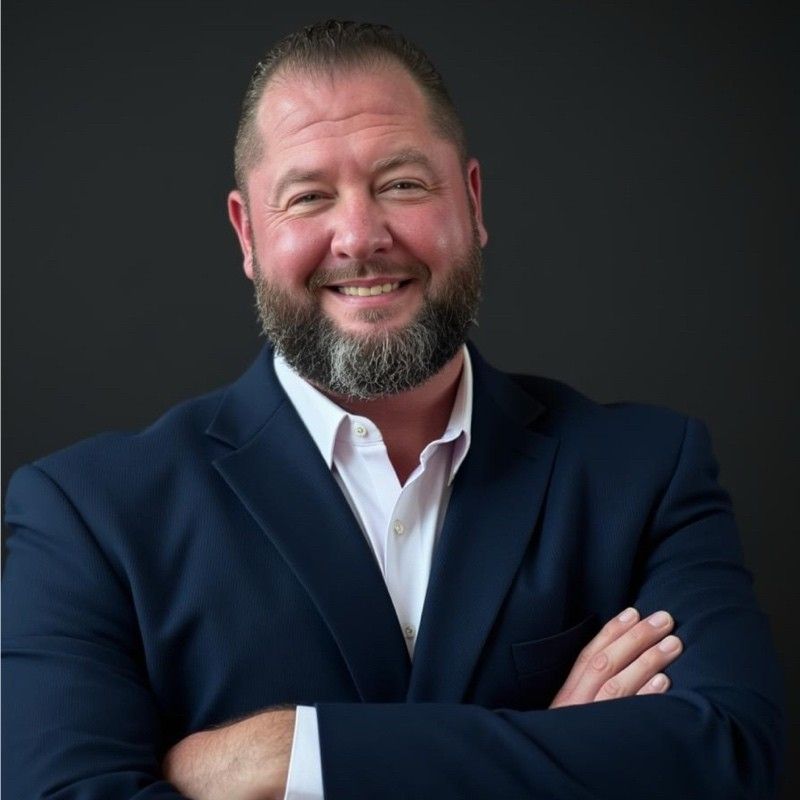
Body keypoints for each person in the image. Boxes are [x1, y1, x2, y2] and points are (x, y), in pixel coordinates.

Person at [2, 19, 784, 800]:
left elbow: (731, 757)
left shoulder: (647, 473)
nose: (359, 236)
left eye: (402, 184)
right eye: (309, 197)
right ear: (247, 234)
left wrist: (286, 754)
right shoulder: (88, 516)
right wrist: (556, 748)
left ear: (471, 201)